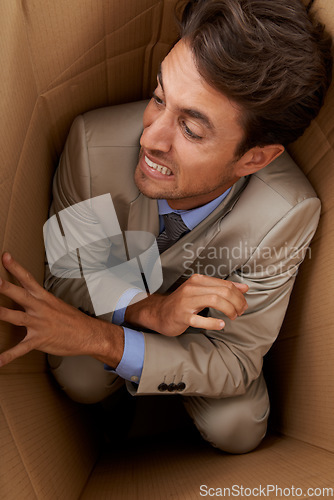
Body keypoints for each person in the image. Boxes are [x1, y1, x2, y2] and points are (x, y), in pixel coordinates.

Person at [0, 0, 332, 453]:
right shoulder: (92, 146)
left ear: (255, 158)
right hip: (115, 285)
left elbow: (236, 358)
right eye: (159, 98)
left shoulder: (287, 213)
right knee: (79, 376)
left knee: (238, 427)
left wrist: (120, 342)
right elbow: (67, 278)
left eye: (191, 130)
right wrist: (148, 312)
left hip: (205, 335)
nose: (149, 138)